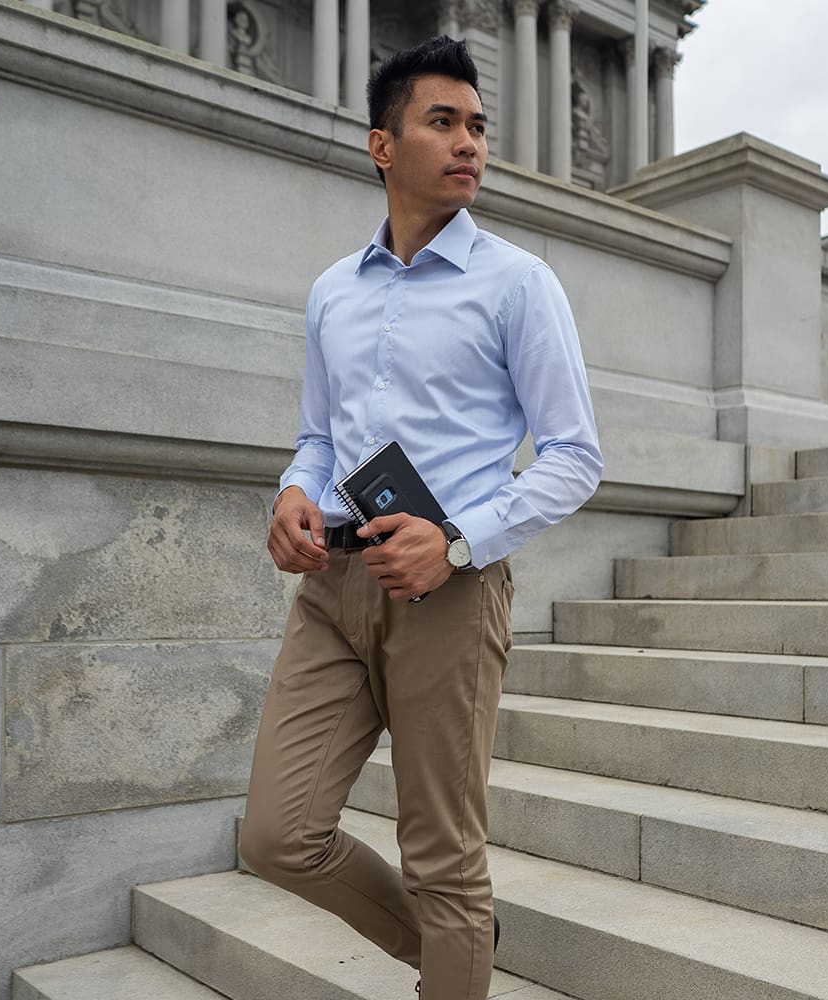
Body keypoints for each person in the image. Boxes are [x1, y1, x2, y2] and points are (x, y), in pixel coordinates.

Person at [239, 36, 603, 1000]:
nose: (469, 142)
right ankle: (459, 947)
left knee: (443, 856)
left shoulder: (519, 282)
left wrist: (461, 541)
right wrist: (291, 490)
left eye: (477, 125)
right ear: (381, 146)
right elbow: (320, 436)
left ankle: (456, 950)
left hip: (451, 589)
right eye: (442, 122)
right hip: (334, 586)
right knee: (277, 834)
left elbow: (575, 457)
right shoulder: (333, 292)